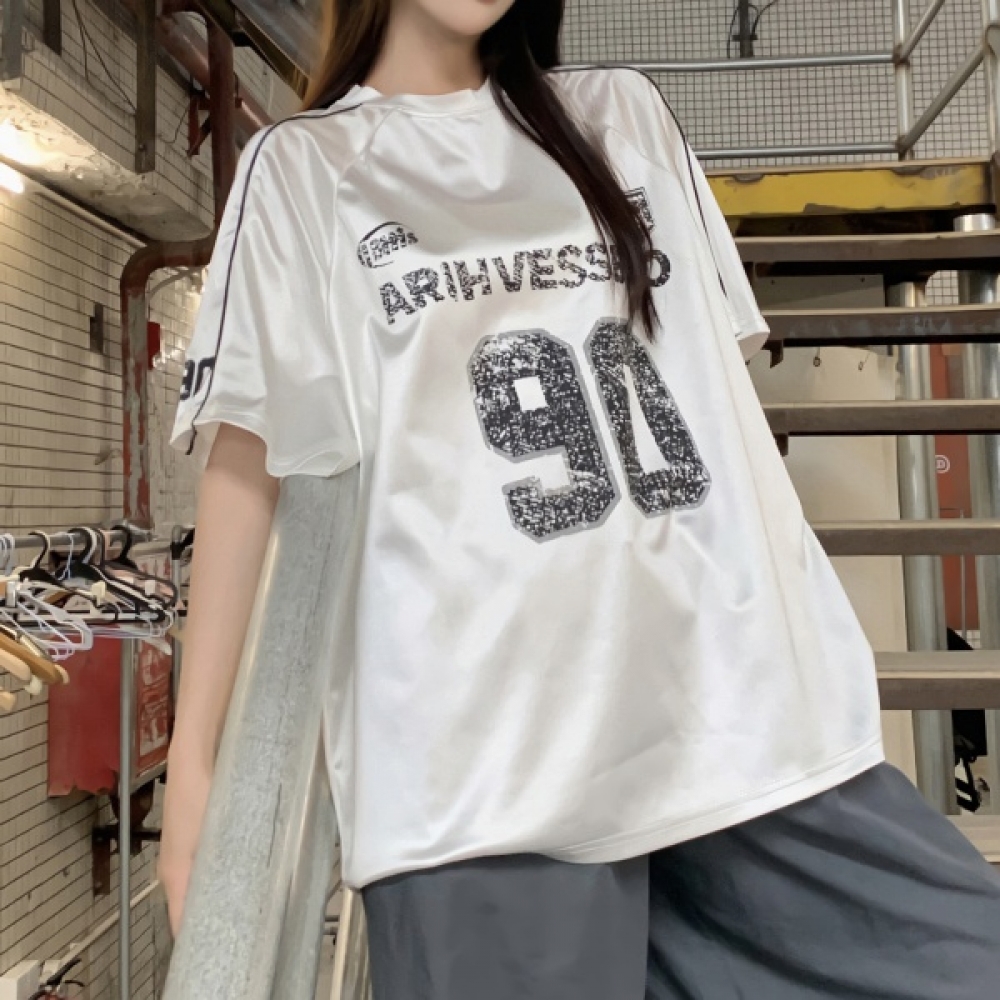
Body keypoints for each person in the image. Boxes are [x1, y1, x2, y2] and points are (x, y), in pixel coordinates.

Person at [160, 0, 1000, 996]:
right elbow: (248, 461)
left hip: (737, 727)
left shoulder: (622, 116)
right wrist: (195, 770)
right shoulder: (305, 168)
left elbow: (716, 406)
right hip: (485, 782)